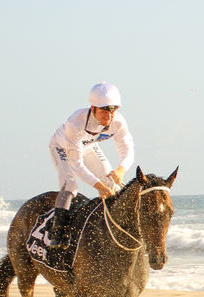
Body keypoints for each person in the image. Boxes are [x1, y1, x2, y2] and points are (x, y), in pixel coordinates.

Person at [46, 82, 136, 243]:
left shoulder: (118, 122)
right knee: (70, 185)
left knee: (111, 184)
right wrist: (98, 186)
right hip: (62, 147)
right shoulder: (76, 123)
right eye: (104, 112)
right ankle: (57, 234)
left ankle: (113, 231)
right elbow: (76, 164)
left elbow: (127, 149)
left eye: (113, 111)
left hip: (88, 146)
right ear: (93, 108)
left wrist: (121, 169)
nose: (109, 118)